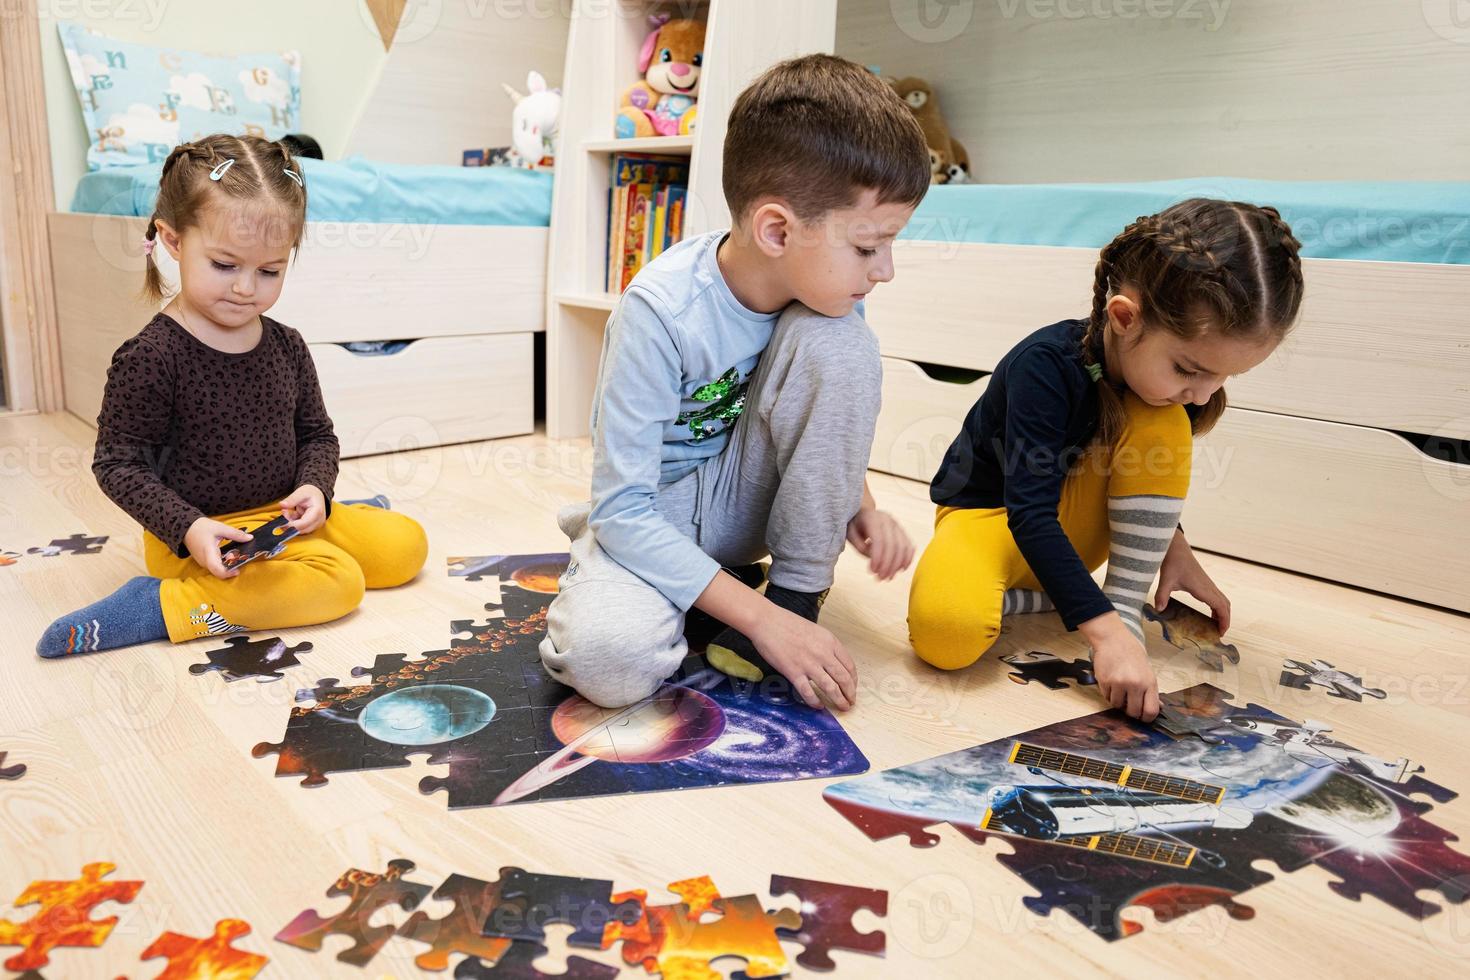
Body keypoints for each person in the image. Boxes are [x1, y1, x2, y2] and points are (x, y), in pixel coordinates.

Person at [538, 55, 931, 710]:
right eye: (868, 247)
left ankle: (796, 597)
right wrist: (755, 617)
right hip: (655, 513)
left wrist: (859, 505)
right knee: (607, 665)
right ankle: (729, 596)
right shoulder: (661, 312)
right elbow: (625, 509)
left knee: (843, 344)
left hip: (748, 498)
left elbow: (818, 414)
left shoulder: (829, 296)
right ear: (776, 229)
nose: (884, 270)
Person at [908, 198, 1305, 720]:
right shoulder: (1044, 365)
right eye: (1189, 369)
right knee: (945, 637)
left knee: (1161, 417)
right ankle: (1069, 603)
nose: (1205, 395)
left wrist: (1173, 547)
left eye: (1224, 378)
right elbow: (1029, 512)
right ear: (1123, 318)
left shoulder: (1163, 395)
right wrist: (1104, 637)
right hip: (993, 517)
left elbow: (1139, 473)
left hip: (1075, 533)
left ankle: (1116, 605)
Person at [37, 133, 427, 657]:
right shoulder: (151, 357)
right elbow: (117, 465)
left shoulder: (286, 344)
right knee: (339, 585)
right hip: (199, 535)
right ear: (173, 241)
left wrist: (315, 486)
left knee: (406, 546)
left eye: (269, 271)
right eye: (225, 265)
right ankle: (160, 605)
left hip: (281, 517)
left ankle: (339, 511)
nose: (247, 288)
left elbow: (317, 435)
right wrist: (188, 526)